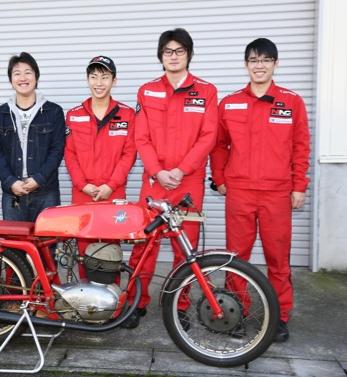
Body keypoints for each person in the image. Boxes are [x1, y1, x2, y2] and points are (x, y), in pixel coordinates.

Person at [209, 38, 311, 342]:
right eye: (254, 60)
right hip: (239, 192)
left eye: (266, 60)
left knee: (278, 259)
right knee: (235, 258)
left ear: (276, 64)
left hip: (277, 193)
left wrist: (299, 186)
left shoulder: (292, 102)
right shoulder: (229, 103)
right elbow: (218, 144)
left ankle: (279, 316)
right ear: (245, 65)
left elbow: (301, 147)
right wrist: (220, 178)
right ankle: (235, 313)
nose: (260, 65)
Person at [123, 28, 218, 328]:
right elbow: (141, 137)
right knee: (144, 245)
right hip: (154, 181)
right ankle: (135, 302)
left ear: (189, 54)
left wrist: (181, 170)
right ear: (160, 56)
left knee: (185, 249)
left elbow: (209, 137)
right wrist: (158, 171)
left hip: (188, 183)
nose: (173, 56)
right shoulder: (147, 90)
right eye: (168, 51)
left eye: (179, 51)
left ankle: (179, 303)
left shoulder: (206, 91)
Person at [64, 55, 137, 279]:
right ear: (87, 80)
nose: (99, 82)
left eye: (104, 77)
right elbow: (70, 154)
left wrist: (111, 185)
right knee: (84, 252)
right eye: (94, 76)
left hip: (113, 195)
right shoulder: (74, 115)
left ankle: (112, 298)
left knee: (111, 251)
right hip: (83, 194)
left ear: (114, 81)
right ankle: (86, 299)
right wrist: (82, 185)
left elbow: (129, 153)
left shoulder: (127, 114)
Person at [0, 52, 65, 260]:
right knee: (14, 251)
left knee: (47, 250)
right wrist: (10, 181)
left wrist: (38, 179)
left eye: (28, 72)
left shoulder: (54, 112)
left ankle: (45, 293)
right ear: (11, 80)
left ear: (37, 77)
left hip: (46, 193)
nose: (23, 78)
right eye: (17, 73)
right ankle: (17, 292)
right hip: (13, 194)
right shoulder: (0, 114)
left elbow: (57, 150)